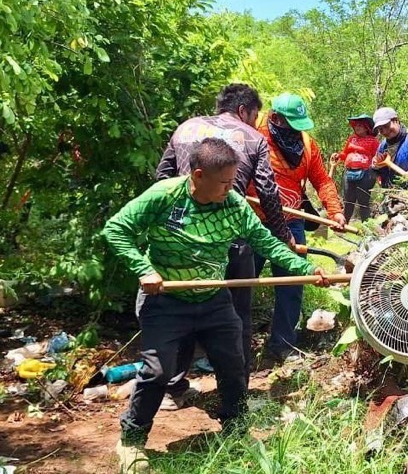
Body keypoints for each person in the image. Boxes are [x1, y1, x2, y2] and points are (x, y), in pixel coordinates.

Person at [104, 138, 330, 473]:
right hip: (165, 300)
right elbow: (115, 230)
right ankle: (132, 441)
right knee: (156, 371)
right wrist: (144, 269)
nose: (231, 188)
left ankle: (237, 431)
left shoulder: (234, 206)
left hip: (213, 299)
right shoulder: (164, 196)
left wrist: (306, 269)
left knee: (233, 364)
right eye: (224, 182)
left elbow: (265, 242)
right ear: (198, 175)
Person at [155, 83, 292, 407]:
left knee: (182, 306)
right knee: (236, 314)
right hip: (229, 240)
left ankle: (173, 388)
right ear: (245, 110)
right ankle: (236, 388)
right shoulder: (251, 137)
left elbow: (163, 179)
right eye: (255, 116)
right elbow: (268, 193)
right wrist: (283, 236)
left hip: (181, 239)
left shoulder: (186, 128)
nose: (256, 123)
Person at [247, 92, 345, 360]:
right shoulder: (253, 135)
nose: (295, 132)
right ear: (275, 118)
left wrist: (334, 211)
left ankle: (282, 344)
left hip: (291, 221)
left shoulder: (307, 145)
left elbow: (322, 180)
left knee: (293, 284)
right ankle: (233, 347)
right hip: (251, 222)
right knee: (241, 285)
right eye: (291, 124)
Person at [330, 114, 380, 221]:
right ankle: (343, 224)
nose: (357, 127)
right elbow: (345, 154)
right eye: (356, 125)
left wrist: (379, 176)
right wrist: (338, 155)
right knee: (348, 200)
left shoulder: (373, 141)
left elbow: (378, 158)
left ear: (366, 128)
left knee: (363, 201)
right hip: (349, 172)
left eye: (360, 125)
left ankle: (366, 226)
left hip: (366, 173)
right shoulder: (352, 139)